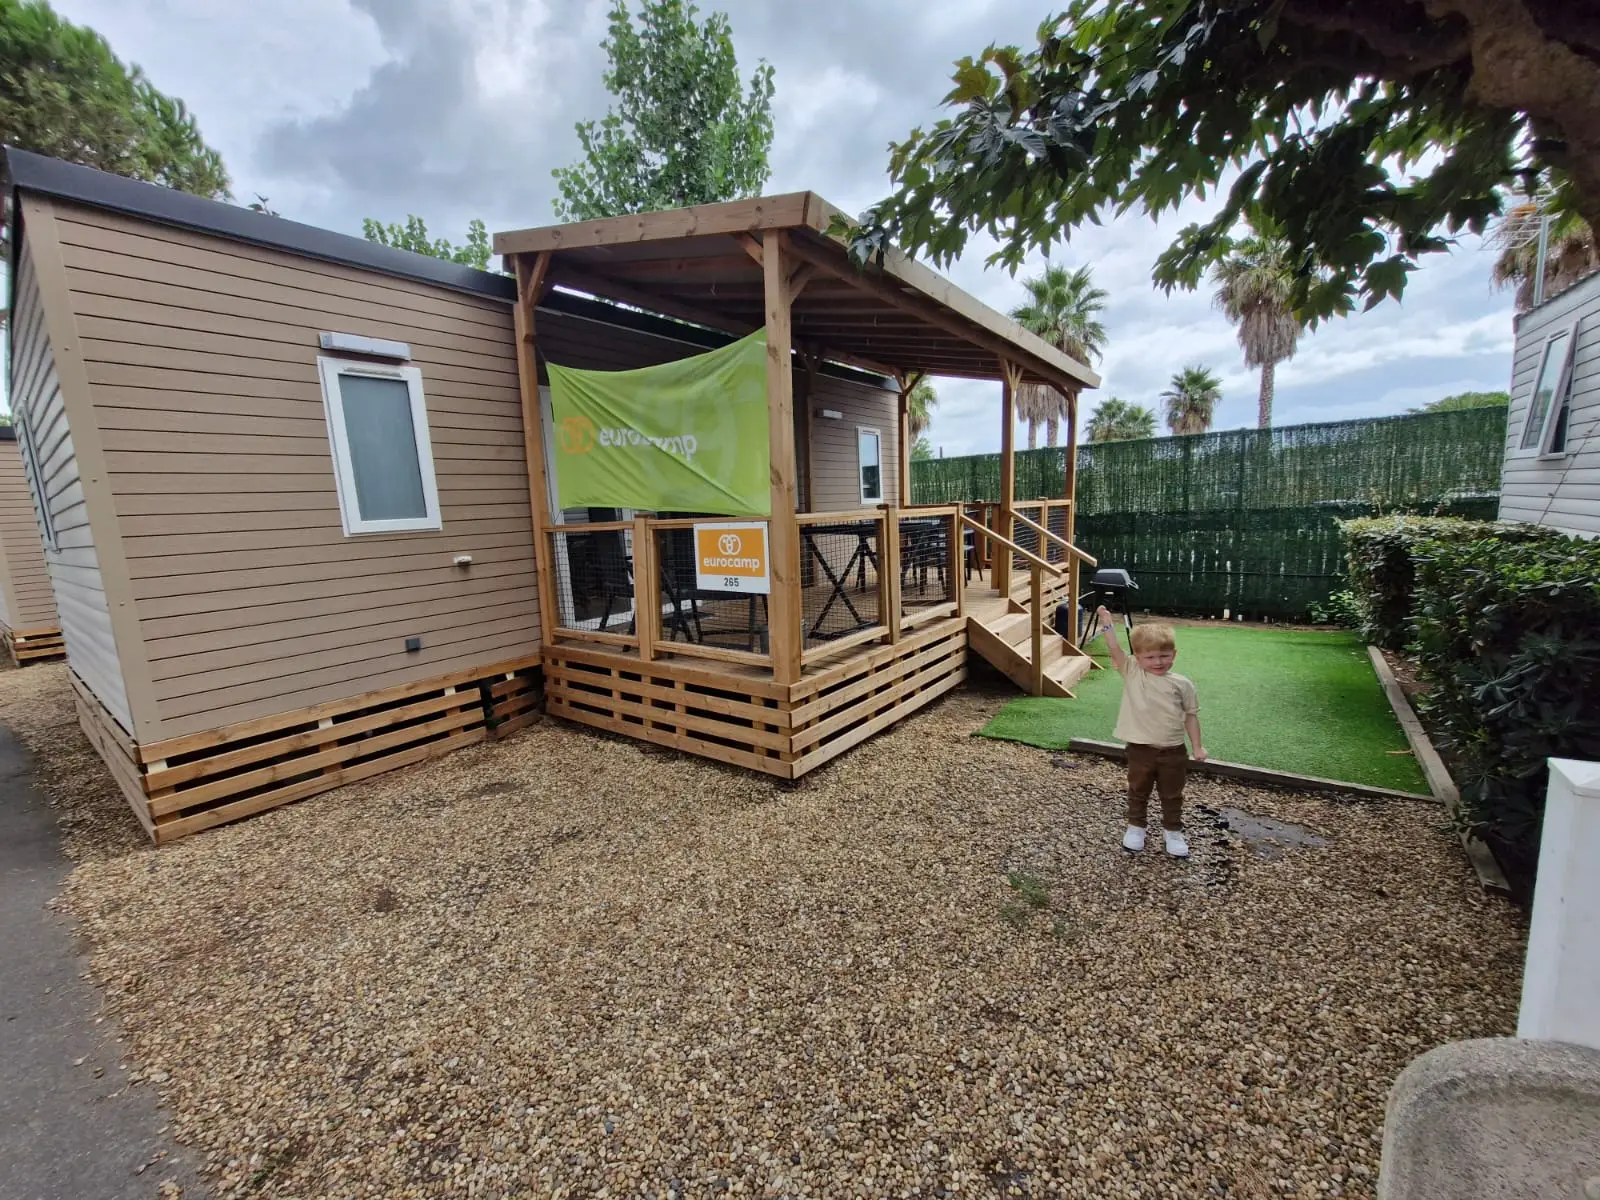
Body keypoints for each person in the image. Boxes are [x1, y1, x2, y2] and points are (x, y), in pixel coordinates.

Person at [1095, 606, 1206, 857]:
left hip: (1173, 751)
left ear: (1174, 654)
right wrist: (1107, 621)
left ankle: (1173, 831)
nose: (1158, 662)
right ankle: (1136, 828)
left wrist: (1197, 746)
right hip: (1140, 750)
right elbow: (1114, 648)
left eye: (1164, 656)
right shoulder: (1132, 671)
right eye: (1151, 657)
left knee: (1172, 794)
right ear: (1137, 657)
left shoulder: (1182, 684)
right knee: (1138, 790)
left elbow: (1191, 716)